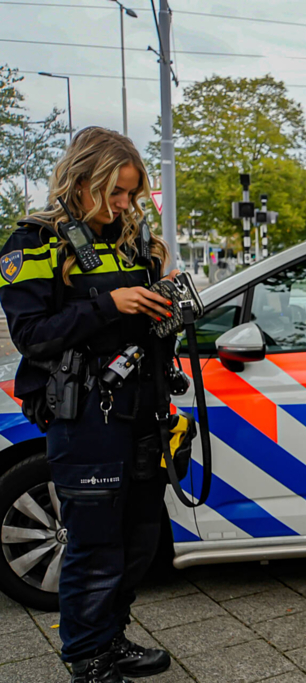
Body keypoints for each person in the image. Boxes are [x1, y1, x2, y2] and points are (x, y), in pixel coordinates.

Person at [0, 127, 180, 683]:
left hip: (141, 411)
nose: (125, 204)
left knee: (138, 539)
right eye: (116, 192)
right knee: (95, 543)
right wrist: (110, 303)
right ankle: (86, 658)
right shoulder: (32, 242)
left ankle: (111, 639)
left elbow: (146, 327)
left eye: (131, 193)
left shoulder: (132, 241)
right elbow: (31, 334)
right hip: (84, 417)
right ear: (81, 182)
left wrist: (166, 303)